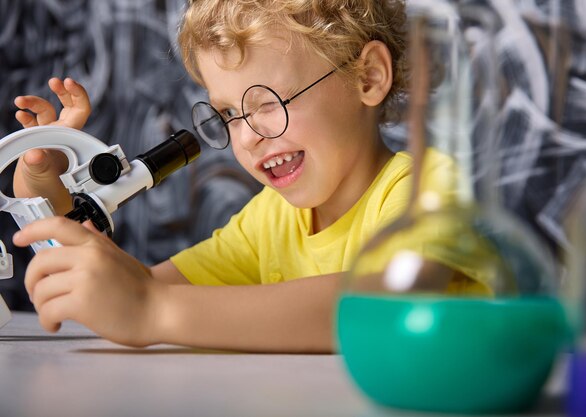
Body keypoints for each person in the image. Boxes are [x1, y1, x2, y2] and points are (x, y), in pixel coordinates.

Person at [10, 0, 485, 352]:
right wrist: (45, 187)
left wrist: (152, 308)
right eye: (230, 114)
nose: (247, 136)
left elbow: (391, 303)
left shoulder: (428, 189)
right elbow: (130, 290)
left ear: (368, 78)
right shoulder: (268, 222)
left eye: (268, 103)